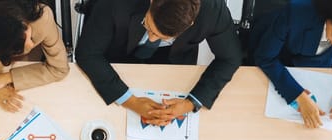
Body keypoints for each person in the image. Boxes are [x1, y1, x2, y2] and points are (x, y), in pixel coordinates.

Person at [75, 0, 242, 126]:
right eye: (148, 25)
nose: (152, 38)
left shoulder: (212, 10)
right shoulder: (115, 3)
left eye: (163, 38)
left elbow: (230, 58)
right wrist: (131, 101)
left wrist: (190, 103)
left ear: (190, 24)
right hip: (117, 52)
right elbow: (87, 54)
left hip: (174, 63)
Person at [250, 0, 332, 128]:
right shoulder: (295, 13)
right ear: (331, 16)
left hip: (317, 67)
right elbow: (265, 57)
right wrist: (298, 96)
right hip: (280, 56)